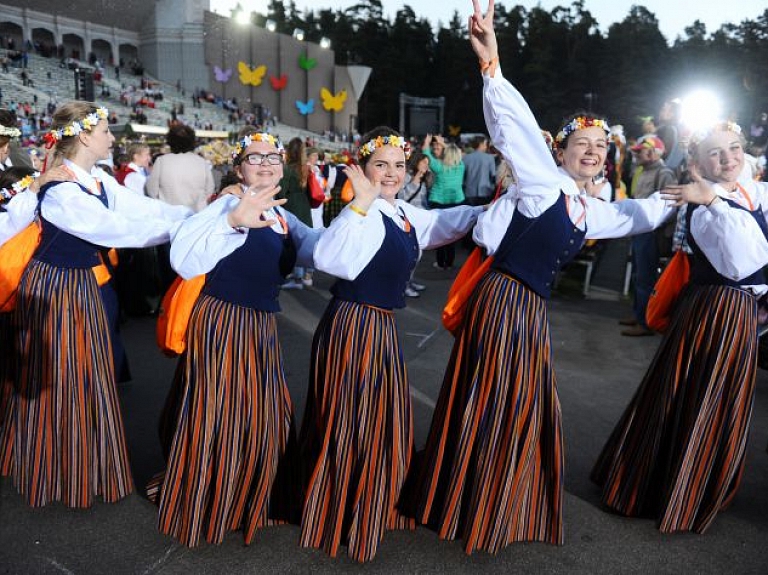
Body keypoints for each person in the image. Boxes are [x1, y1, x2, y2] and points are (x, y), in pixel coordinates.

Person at [409, 0, 676, 555]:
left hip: (527, 309)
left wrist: (688, 194)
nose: (595, 153)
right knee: (497, 398)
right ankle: (472, 499)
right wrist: (493, 66)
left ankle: (496, 498)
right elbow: (516, 126)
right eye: (583, 145)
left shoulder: (586, 209)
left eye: (601, 148)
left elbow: (638, 216)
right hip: (504, 301)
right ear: (561, 152)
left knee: (518, 401)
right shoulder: (542, 183)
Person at [298, 126, 483, 563]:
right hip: (352, 327)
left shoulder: (402, 213)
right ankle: (339, 510)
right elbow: (329, 260)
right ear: (362, 169)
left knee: (379, 421)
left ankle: (368, 501)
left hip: (380, 329)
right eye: (381, 164)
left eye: (399, 165)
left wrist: (493, 208)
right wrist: (360, 201)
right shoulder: (358, 210)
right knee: (351, 422)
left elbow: (442, 223)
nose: (392, 173)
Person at [4, 102, 191, 508]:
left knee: (85, 372)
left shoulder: (97, 180)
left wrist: (198, 216)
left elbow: (144, 209)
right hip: (56, 288)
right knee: (60, 376)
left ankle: (81, 464)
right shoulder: (63, 191)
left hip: (81, 286)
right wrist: (192, 226)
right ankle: (54, 468)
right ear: (86, 136)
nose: (111, 138)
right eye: (106, 130)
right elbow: (117, 228)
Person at [592, 120, 768, 534]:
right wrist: (713, 201)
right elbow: (745, 262)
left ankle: (700, 482)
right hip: (716, 312)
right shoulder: (703, 206)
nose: (728, 159)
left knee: (721, 400)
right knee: (696, 396)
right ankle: (671, 488)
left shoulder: (753, 193)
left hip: (741, 315)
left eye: (735, 148)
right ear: (697, 162)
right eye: (716, 152)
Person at [148, 129, 321, 547]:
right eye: (254, 158)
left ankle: (251, 495)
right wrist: (229, 220)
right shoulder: (226, 203)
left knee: (262, 410)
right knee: (219, 412)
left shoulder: (283, 215)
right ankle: (211, 500)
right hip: (223, 321)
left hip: (260, 324)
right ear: (238, 167)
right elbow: (183, 258)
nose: (265, 164)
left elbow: (321, 249)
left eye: (272, 158)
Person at [620, 134, 678, 336]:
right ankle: (638, 315)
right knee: (638, 274)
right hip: (639, 230)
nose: (636, 155)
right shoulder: (641, 171)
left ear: (654, 152)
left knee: (645, 277)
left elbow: (671, 205)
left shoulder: (664, 173)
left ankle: (646, 323)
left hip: (651, 233)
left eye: (640, 151)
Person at [423, 134, 466, 269]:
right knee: (452, 232)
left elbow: (425, 152)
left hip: (438, 201)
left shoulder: (439, 167)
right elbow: (455, 153)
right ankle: (450, 262)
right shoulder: (460, 166)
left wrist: (428, 141)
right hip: (455, 201)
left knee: (440, 232)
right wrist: (444, 143)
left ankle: (441, 263)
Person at [279, 137, 314, 289]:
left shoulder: (287, 169)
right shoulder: (306, 167)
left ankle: (298, 277)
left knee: (294, 239)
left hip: (292, 205)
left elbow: (281, 192)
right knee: (305, 238)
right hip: (304, 204)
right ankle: (307, 274)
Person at [462, 135, 497, 207]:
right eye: (485, 144)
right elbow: (493, 175)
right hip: (485, 192)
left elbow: (463, 176)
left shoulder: (466, 158)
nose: (486, 146)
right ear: (481, 144)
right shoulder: (489, 158)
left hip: (469, 192)